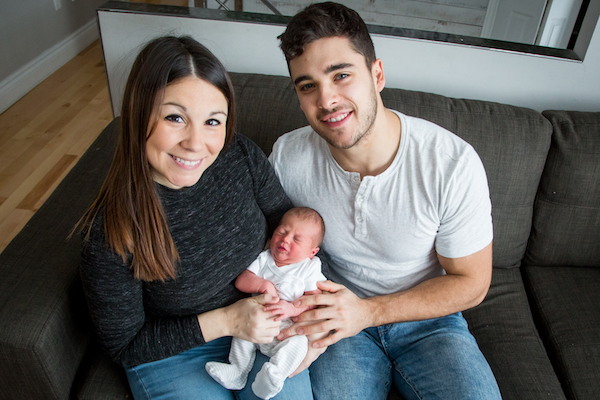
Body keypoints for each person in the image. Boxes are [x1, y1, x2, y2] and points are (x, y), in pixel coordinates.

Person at [269, 3, 502, 399]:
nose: (326, 100)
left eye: (341, 75)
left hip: (428, 320)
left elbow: (473, 284)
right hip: (331, 314)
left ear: (377, 74)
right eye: (307, 86)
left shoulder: (450, 163)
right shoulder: (288, 158)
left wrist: (369, 312)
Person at [77, 36, 314, 400]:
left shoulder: (240, 156)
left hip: (268, 329)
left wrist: (308, 299)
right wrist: (229, 320)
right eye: (175, 117)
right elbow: (126, 345)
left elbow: (290, 222)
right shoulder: (110, 230)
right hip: (173, 355)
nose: (195, 142)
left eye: (212, 122)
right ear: (140, 115)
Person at [206, 207, 327, 400]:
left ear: (312, 252)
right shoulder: (264, 258)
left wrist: (292, 308)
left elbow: (314, 300)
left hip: (288, 329)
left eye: (296, 239)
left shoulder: (309, 268)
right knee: (241, 333)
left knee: (298, 343)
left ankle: (274, 376)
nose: (286, 239)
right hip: (257, 321)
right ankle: (238, 371)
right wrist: (263, 284)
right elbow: (242, 280)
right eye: (281, 231)